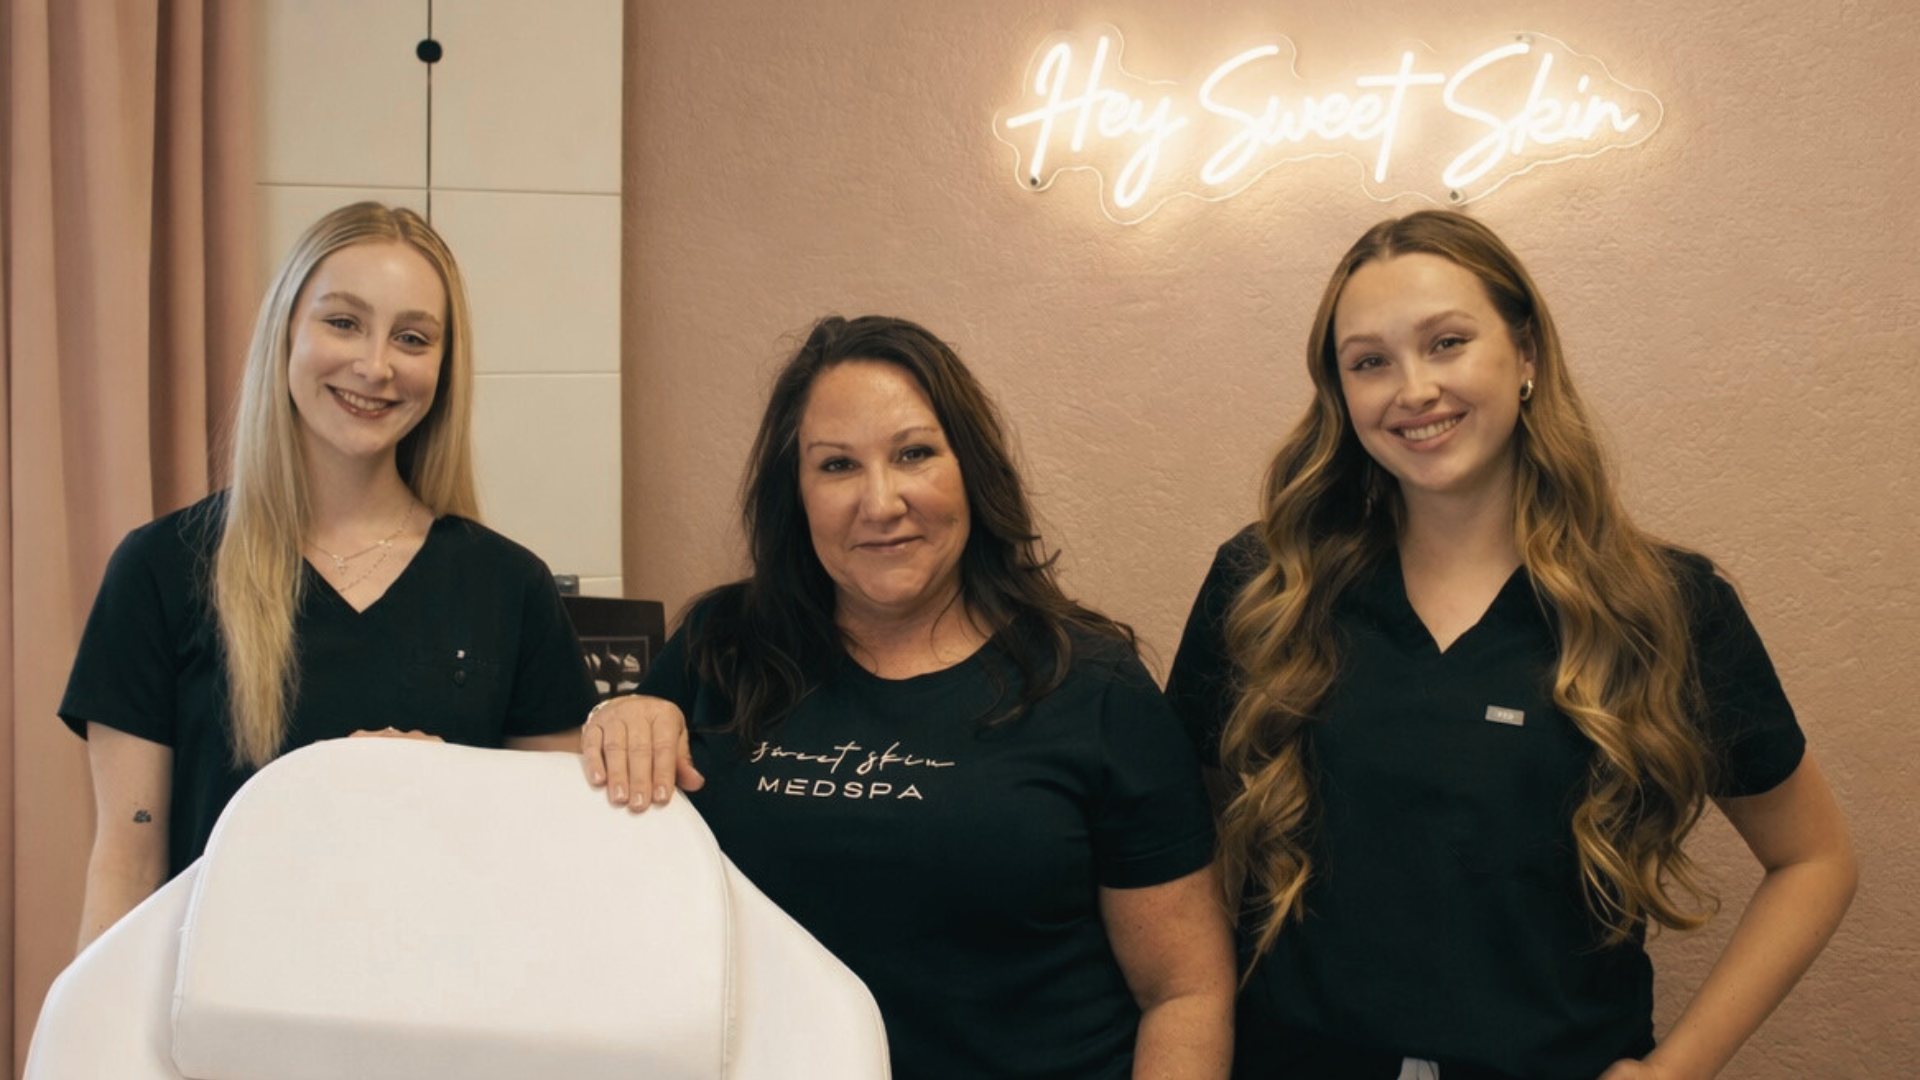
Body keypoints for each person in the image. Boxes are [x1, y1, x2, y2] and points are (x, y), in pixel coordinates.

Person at [1166, 210, 1856, 1080]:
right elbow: (1174, 851)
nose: (1412, 389)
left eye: (1447, 342)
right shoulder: (1266, 585)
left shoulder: (1664, 605)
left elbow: (1814, 858)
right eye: (1369, 361)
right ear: (1341, 394)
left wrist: (1674, 1071)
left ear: (1525, 356)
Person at [581, 315, 1234, 1079]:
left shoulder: (1091, 686)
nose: (881, 502)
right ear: (795, 492)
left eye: (914, 454)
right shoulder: (718, 651)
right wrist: (618, 715)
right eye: (837, 466)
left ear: (972, 470)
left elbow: (1185, 991)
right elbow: (619, 890)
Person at [61, 202, 596, 952]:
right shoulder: (159, 571)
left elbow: (557, 864)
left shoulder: (512, 589)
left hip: (448, 1029)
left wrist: (453, 791)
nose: (375, 366)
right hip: (224, 1044)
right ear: (287, 333)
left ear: (443, 369)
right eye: (343, 322)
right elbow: (126, 864)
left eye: (412, 338)